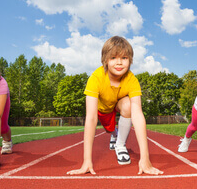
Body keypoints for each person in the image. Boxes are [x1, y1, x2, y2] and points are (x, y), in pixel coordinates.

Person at [67, 36, 163, 175]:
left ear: (130, 60)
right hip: (103, 109)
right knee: (109, 129)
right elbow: (91, 118)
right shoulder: (96, 78)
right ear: (105, 60)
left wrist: (145, 158)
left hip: (118, 104)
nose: (119, 63)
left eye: (124, 58)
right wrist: (87, 160)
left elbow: (137, 114)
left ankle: (120, 144)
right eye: (113, 58)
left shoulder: (131, 79)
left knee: (129, 106)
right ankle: (114, 134)